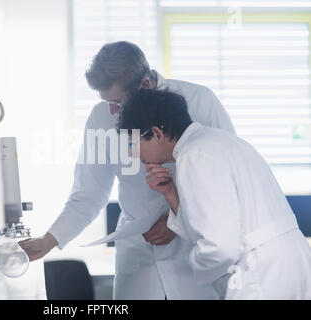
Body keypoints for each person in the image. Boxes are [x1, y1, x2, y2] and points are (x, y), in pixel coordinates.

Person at [20, 41, 235, 299]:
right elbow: (88, 193)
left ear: (144, 85)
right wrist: (48, 241)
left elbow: (225, 178)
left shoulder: (199, 101)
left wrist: (176, 219)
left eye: (117, 103)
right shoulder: (101, 118)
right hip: (137, 250)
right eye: (105, 101)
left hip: (191, 249)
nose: (112, 111)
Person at [117, 89, 311, 299]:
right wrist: (171, 194)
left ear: (156, 133)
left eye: (132, 143)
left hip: (260, 275)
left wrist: (194, 267)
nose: (131, 153)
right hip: (292, 264)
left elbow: (220, 249)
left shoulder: (194, 155)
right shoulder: (219, 142)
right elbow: (214, 222)